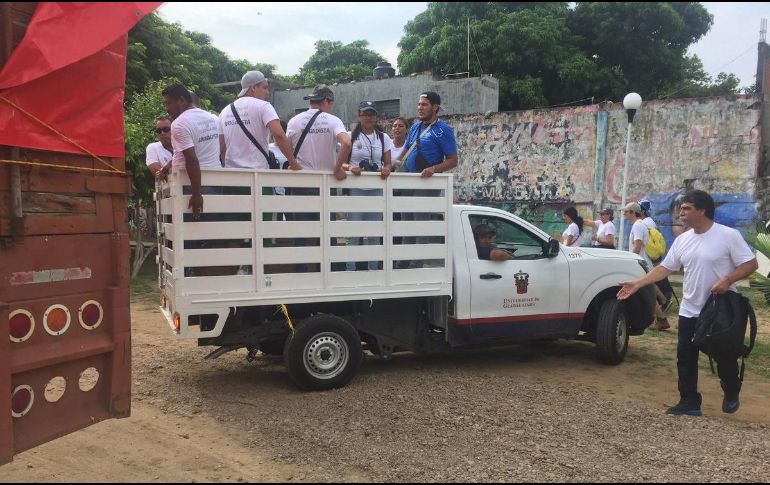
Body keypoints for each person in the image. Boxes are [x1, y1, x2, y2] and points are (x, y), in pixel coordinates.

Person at [617, 190, 757, 416]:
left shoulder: (728, 235)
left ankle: (731, 388)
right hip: (690, 310)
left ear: (702, 210)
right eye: (681, 208)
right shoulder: (683, 240)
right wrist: (638, 283)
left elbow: (750, 264)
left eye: (686, 208)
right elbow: (665, 268)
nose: (681, 212)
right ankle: (689, 401)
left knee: (724, 355)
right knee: (685, 356)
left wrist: (727, 280)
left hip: (719, 309)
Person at [343, 101, 393, 271]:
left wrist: (386, 169)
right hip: (356, 188)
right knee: (354, 233)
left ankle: (373, 271)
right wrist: (350, 167)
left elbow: (388, 164)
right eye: (365, 114)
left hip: (376, 189)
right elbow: (340, 163)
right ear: (359, 115)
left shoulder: (383, 137)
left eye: (372, 114)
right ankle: (351, 271)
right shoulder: (349, 136)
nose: (369, 117)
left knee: (374, 233)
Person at [162, 83, 221, 219]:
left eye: (169, 103)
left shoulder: (179, 123)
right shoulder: (212, 118)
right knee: (212, 233)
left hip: (191, 187)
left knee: (188, 237)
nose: (167, 109)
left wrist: (196, 195)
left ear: (181, 100)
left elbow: (192, 159)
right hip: (216, 183)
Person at [218, 70, 298, 170]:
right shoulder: (263, 106)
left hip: (232, 176)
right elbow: (278, 135)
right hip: (257, 175)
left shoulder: (225, 111)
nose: (267, 93)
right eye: (264, 88)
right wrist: (293, 163)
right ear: (254, 88)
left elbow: (221, 147)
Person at [286, 84, 350, 180]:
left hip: (300, 180)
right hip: (326, 180)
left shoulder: (293, 121)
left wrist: (293, 164)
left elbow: (286, 148)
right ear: (325, 102)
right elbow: (346, 143)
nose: (330, 108)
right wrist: (337, 169)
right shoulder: (334, 120)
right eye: (331, 104)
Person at [622, 201, 669, 329]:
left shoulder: (637, 226)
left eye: (625, 212)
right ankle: (662, 308)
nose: (624, 214)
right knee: (648, 289)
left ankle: (661, 319)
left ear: (632, 212)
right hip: (643, 262)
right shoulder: (640, 224)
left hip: (639, 263)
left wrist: (630, 260)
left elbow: (637, 245)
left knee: (645, 292)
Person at [396, 91, 457, 177]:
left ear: (435, 107)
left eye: (424, 105)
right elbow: (403, 155)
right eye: (419, 104)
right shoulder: (414, 127)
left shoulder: (443, 130)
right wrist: (390, 166)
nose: (420, 108)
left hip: (428, 183)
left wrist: (433, 169)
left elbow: (453, 161)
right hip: (408, 180)